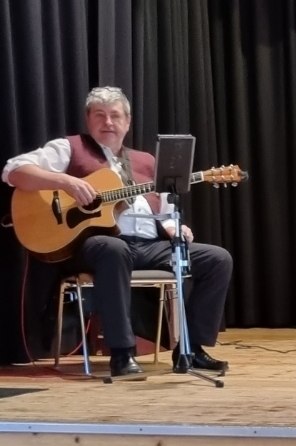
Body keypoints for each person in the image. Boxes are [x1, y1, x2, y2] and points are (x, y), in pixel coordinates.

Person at [3, 86, 232, 380]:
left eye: (115, 115)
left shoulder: (147, 161)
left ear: (128, 122)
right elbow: (14, 170)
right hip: (92, 245)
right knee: (114, 248)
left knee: (217, 259)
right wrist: (66, 183)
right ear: (88, 119)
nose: (108, 122)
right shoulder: (69, 148)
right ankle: (122, 353)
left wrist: (175, 228)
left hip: (148, 246)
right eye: (100, 115)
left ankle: (191, 349)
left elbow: (164, 212)